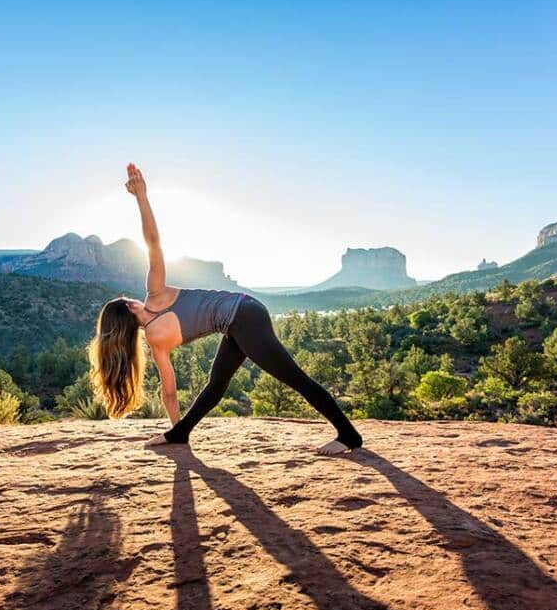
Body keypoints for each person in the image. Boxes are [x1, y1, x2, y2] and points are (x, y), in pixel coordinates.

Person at [87, 163, 363, 455]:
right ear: (130, 307)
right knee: (216, 385)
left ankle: (348, 435)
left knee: (292, 378)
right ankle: (181, 434)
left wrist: (173, 421)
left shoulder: (155, 342)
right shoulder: (154, 293)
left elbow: (169, 392)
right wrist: (142, 197)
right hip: (242, 315)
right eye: (127, 299)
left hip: (243, 317)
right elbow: (153, 243)